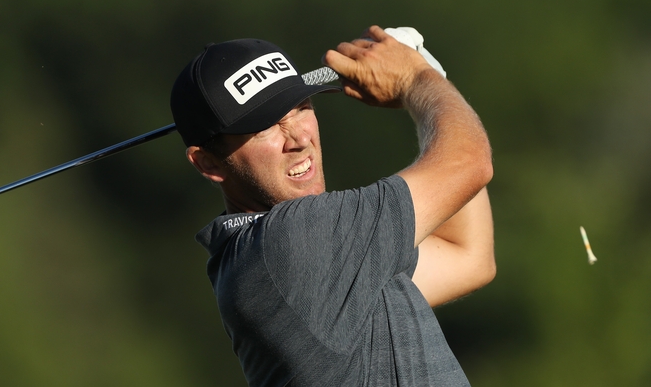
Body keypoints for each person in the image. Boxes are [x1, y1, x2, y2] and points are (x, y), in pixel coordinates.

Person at [170, 26, 495, 386]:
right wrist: (418, 78)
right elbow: (470, 163)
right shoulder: (292, 241)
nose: (298, 138)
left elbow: (467, 255)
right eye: (263, 127)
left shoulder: (322, 261)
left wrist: (429, 85)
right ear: (208, 163)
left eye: (301, 108)